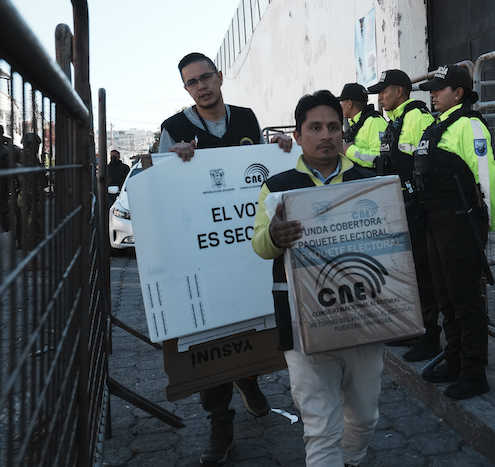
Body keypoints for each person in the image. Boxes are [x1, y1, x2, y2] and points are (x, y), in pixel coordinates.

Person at [158, 52, 292, 466]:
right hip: (204, 255)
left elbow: (267, 174)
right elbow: (161, 189)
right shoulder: (173, 129)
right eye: (192, 82)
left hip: (249, 247)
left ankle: (247, 378)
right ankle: (221, 423)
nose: (201, 86)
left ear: (219, 77)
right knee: (211, 335)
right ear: (186, 89)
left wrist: (282, 149)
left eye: (206, 77)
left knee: (255, 321)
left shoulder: (249, 118)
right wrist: (172, 162)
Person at [251, 90, 381, 467]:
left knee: (365, 417)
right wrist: (275, 236)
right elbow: (261, 245)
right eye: (315, 127)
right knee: (321, 426)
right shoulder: (277, 187)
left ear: (343, 132)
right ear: (298, 134)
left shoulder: (369, 182)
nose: (326, 134)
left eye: (333, 126)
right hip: (302, 319)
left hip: (364, 316)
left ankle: (352, 460)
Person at [414, 64, 495, 400]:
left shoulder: (469, 126)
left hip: (462, 223)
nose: (433, 94)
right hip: (437, 224)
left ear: (459, 93)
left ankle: (473, 371)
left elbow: (487, 178)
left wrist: (486, 225)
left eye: (439, 89)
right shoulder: (437, 126)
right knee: (446, 296)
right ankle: (453, 360)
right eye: (432, 89)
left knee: (466, 299)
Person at [367, 69, 442, 362]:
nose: (379, 97)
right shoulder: (394, 122)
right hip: (400, 209)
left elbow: (426, 165)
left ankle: (430, 337)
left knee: (424, 275)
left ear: (399, 90)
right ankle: (415, 328)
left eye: (383, 91)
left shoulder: (417, 118)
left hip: (418, 211)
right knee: (409, 274)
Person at [338, 82, 387, 169]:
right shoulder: (356, 124)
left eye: (342, 102)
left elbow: (381, 157)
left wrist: (349, 150)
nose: (340, 106)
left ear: (349, 104)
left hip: (373, 180)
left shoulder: (374, 122)